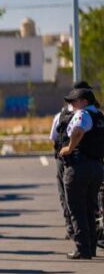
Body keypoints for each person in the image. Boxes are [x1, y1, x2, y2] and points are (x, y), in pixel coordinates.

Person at [57, 84, 104, 259]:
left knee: (77, 208)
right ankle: (90, 247)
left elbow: (77, 131)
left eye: (74, 101)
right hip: (97, 166)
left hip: (79, 166)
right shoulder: (100, 116)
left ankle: (82, 248)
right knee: (91, 208)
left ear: (84, 101)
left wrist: (69, 148)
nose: (72, 105)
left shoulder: (83, 114)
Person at [50, 99, 77, 240]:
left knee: (66, 194)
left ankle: (71, 228)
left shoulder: (60, 116)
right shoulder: (93, 115)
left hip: (65, 159)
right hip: (91, 160)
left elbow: (53, 137)